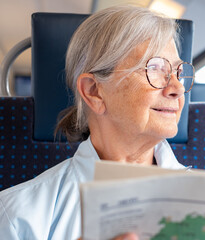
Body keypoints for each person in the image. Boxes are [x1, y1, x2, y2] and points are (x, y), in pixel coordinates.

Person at [0, 5, 194, 239]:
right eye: (154, 68)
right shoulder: (19, 216)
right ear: (94, 91)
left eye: (178, 72)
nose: (178, 88)